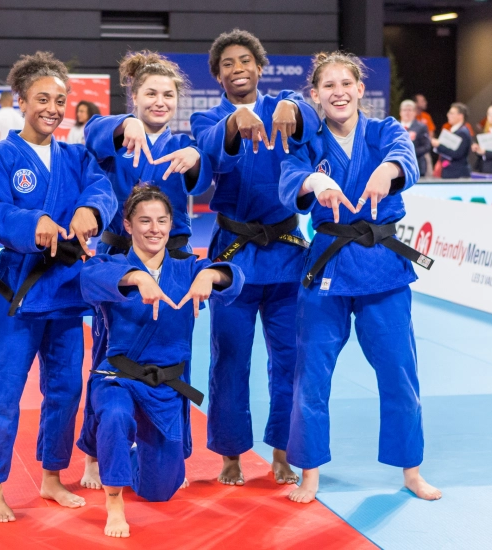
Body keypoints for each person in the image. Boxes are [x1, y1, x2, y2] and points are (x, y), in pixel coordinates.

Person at [278, 50, 441, 505]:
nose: (338, 92)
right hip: (328, 267)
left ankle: (411, 469)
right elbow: (290, 178)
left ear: (359, 90)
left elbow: (403, 153)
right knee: (311, 377)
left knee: (400, 373)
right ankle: (309, 473)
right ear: (315, 95)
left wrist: (387, 171)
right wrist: (317, 182)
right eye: (328, 86)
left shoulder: (384, 130)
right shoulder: (308, 140)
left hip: (383, 271)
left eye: (346, 84)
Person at [0, 51, 117, 523]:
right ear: (20, 101)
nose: (53, 107)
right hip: (17, 291)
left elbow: (102, 189)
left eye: (60, 99)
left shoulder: (76, 156)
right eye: (42, 98)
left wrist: (90, 212)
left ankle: (52, 475)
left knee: (64, 391)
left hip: (65, 290)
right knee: (3, 392)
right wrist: (30, 220)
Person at [76, 50, 212, 490]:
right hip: (122, 259)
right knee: (107, 355)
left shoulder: (182, 146)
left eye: (168, 94)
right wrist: (121, 125)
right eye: (150, 93)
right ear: (133, 96)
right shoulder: (116, 132)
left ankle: (177, 450)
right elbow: (93, 134)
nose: (159, 101)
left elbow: (205, 174)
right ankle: (96, 454)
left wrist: (196, 155)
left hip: (174, 262)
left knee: (178, 356)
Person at [190, 29, 319, 487]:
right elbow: (207, 153)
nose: (237, 68)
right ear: (217, 75)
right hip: (234, 256)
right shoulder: (207, 117)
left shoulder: (282, 105)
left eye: (245, 60)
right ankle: (230, 453)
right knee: (229, 359)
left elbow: (311, 119)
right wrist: (233, 124)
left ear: (260, 68)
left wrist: (293, 106)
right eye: (227, 63)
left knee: (289, 360)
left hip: (285, 255)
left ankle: (282, 450)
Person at [81, 185, 242, 538]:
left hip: (164, 388)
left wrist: (209, 275)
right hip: (117, 378)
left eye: (162, 221)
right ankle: (114, 500)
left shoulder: (187, 267)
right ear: (128, 225)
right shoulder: (112, 264)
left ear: (172, 225)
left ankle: (127, 453)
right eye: (144, 221)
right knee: (116, 414)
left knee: (160, 491)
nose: (154, 229)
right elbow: (88, 280)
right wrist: (135, 277)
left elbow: (234, 277)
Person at [432, 102, 472, 178]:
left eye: (451, 113)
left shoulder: (463, 132)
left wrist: (439, 145)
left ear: (460, 116)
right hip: (450, 171)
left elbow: (457, 153)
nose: (448, 115)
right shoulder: (454, 130)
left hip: (458, 173)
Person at [399, 99, 431, 176]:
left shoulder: (421, 127)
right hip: (398, 165)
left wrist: (410, 153)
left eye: (410, 110)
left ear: (414, 112)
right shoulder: (394, 126)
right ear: (400, 112)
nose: (407, 113)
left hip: (417, 165)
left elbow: (427, 146)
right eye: (404, 110)